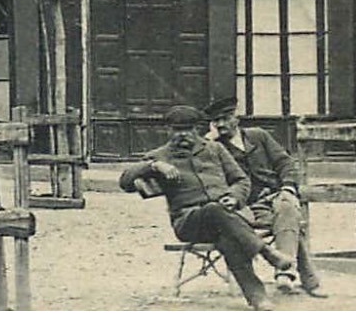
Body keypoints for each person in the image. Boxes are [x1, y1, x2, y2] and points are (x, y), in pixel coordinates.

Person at [119, 105, 293, 311]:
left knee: (229, 239)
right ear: (169, 131)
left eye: (189, 129)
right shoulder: (160, 156)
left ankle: (257, 297)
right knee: (214, 210)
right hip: (189, 222)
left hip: (227, 219)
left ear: (197, 129)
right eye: (177, 130)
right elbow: (125, 182)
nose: (183, 135)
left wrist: (234, 198)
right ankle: (266, 252)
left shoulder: (215, 149)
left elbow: (240, 180)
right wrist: (153, 166)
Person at [205, 96, 325, 297]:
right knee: (290, 222)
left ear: (237, 117)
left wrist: (287, 187)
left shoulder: (258, 136)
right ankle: (305, 280)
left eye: (226, 118)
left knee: (287, 206)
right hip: (245, 206)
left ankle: (285, 273)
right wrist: (207, 143)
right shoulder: (214, 147)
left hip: (274, 196)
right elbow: (207, 176)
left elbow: (285, 163)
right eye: (216, 121)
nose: (221, 125)